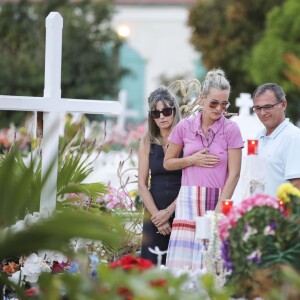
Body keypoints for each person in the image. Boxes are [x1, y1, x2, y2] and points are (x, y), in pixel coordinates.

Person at [160, 69, 244, 270]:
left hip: (218, 199)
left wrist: (218, 211)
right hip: (188, 201)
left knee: (211, 265)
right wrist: (191, 160)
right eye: (214, 103)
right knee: (182, 267)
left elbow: (234, 174)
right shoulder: (184, 127)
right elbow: (168, 162)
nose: (219, 109)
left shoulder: (231, 130)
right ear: (202, 98)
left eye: (224, 104)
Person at [138, 86, 182, 265]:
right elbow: (142, 183)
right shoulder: (146, 141)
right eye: (156, 113)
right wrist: (157, 217)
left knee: (179, 266)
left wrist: (169, 212)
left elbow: (191, 180)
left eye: (166, 111)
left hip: (180, 209)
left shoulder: (186, 138)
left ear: (174, 110)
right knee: (151, 267)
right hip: (154, 214)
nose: (162, 117)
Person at [252, 83, 300, 196]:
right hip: (260, 210)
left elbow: (297, 186)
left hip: (280, 212)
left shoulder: (293, 137)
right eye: (258, 108)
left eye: (268, 107)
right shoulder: (259, 136)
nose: (262, 113)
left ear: (283, 105)